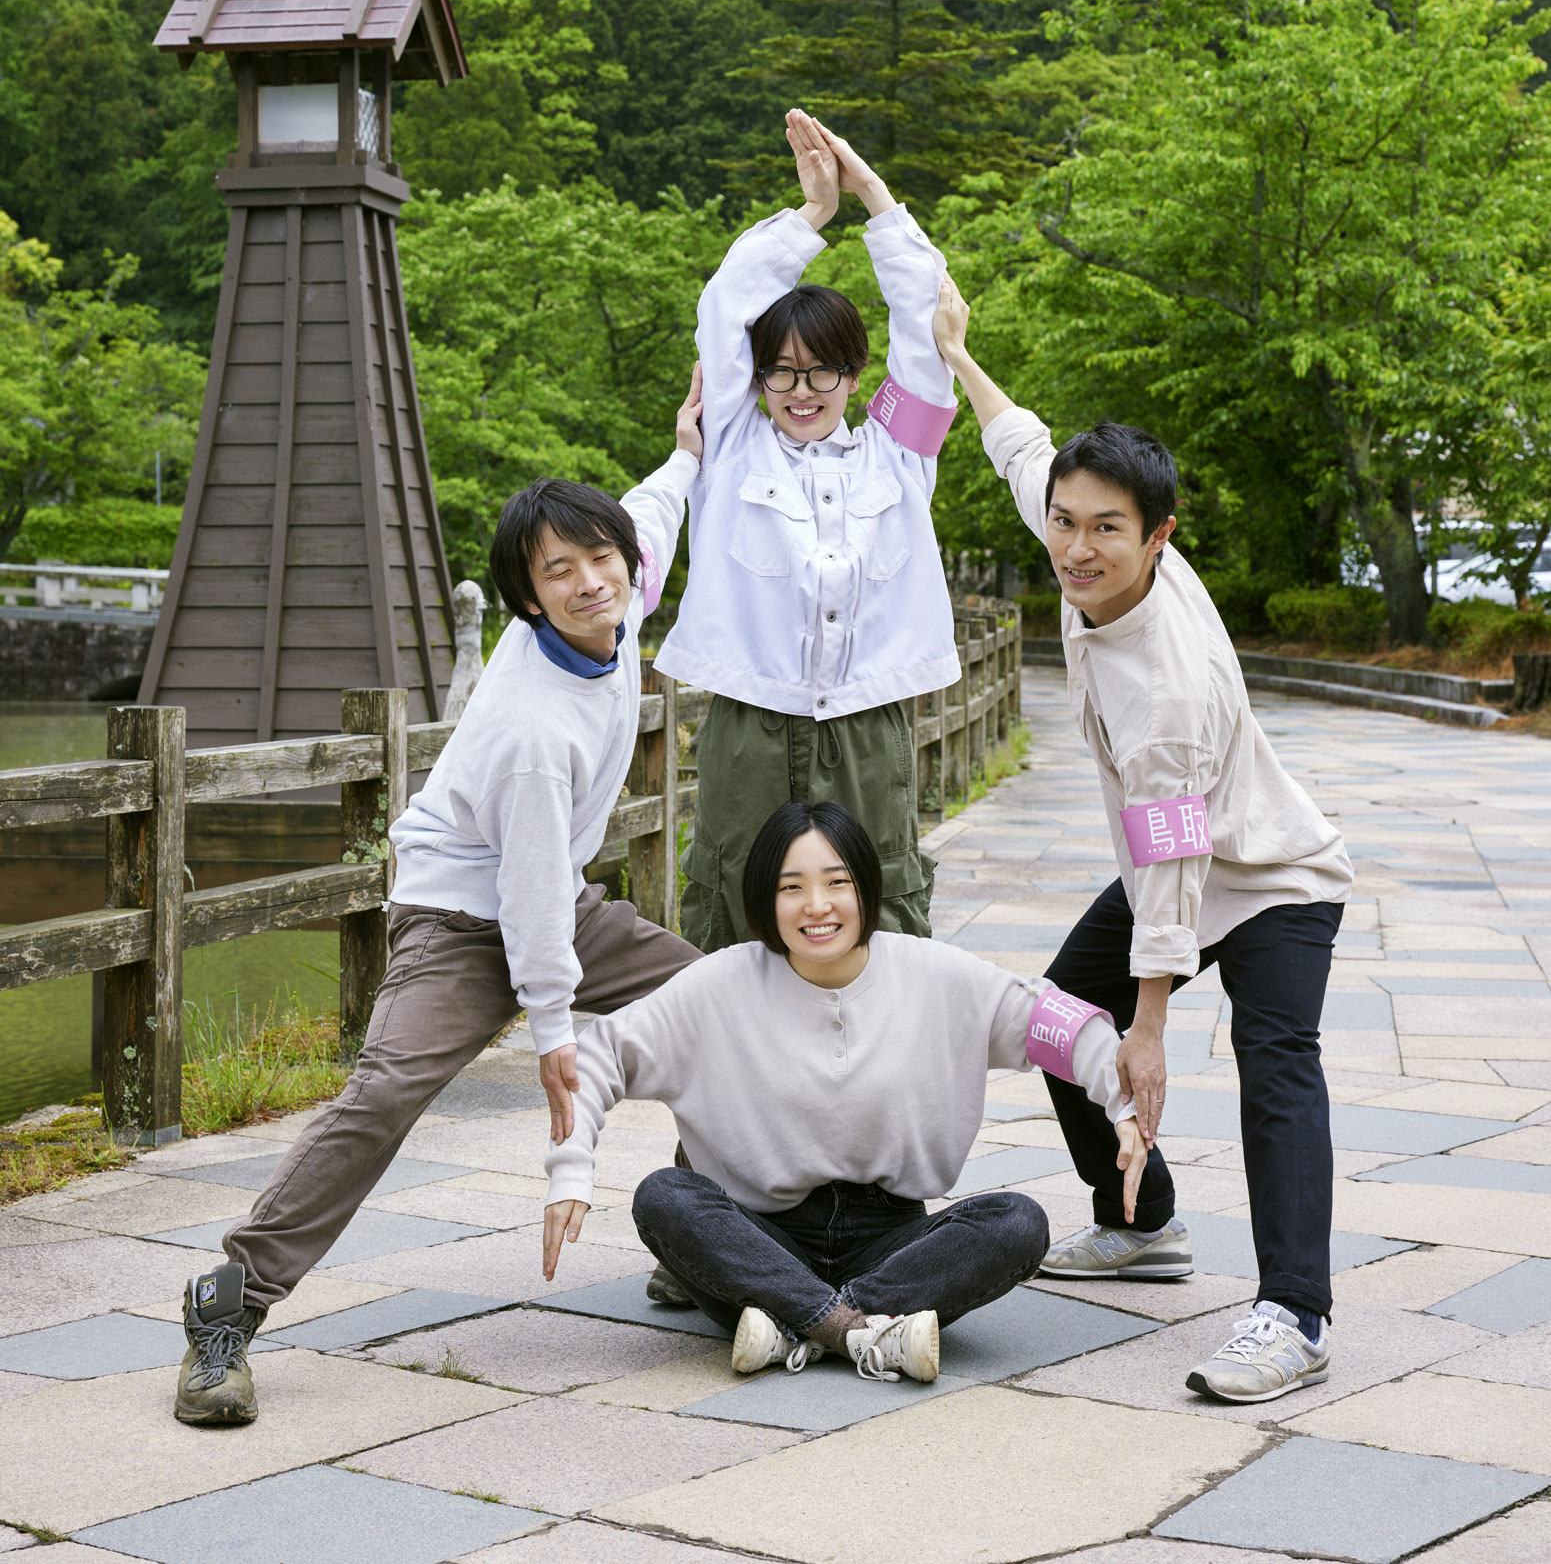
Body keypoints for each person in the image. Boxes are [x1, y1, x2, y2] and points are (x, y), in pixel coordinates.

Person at [172, 380, 706, 1427]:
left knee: (722, 1007)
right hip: (464, 917)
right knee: (383, 1094)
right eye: (560, 572)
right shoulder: (532, 733)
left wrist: (689, 449)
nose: (591, 581)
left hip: (554, 896)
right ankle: (229, 1304)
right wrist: (554, 1036)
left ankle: (698, 1240)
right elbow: (528, 903)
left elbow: (655, 509)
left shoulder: (619, 587)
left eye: (603, 560)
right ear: (527, 597)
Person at [932, 279, 1354, 1402]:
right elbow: (1022, 447)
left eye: (1104, 530)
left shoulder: (1168, 682)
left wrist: (1153, 1023)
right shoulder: (1081, 534)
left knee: (1276, 1068)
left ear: (1158, 538)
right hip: (1174, 863)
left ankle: (1294, 1313)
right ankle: (1145, 1223)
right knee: (1062, 1023)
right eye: (1066, 522)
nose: (1075, 548)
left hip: (1268, 875)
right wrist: (959, 356)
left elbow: (1172, 856)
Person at [542, 801, 1145, 1383]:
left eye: (836, 882)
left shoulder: (931, 974)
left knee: (1017, 1222)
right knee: (664, 1197)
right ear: (764, 898)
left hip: (893, 1243)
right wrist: (571, 1170)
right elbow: (597, 1058)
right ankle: (868, 1333)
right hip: (762, 1239)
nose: (817, 906)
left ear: (865, 889)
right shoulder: (719, 985)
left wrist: (1122, 1106)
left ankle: (798, 1326)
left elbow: (1056, 1021)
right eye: (791, 887)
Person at [656, 107, 960, 951]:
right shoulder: (733, 445)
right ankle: (729, 1076)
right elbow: (725, 306)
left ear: (853, 373)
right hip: (750, 719)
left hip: (868, 722)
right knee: (735, 902)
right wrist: (811, 216)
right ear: (756, 377)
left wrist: (872, 196)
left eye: (822, 368)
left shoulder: (899, 453)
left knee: (879, 900)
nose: (802, 387)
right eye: (781, 370)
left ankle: (873, 1071)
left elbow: (924, 328)